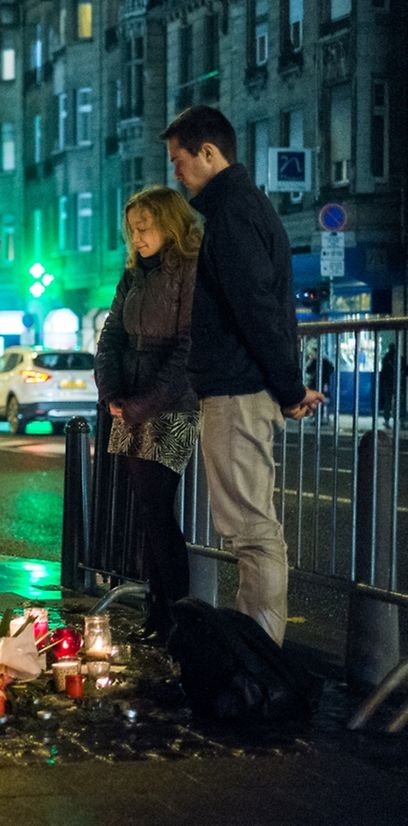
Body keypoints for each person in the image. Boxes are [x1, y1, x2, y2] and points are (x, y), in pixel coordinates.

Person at [161, 105, 324, 645]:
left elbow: (255, 309)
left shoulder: (231, 214)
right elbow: (263, 307)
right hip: (242, 385)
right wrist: (287, 385)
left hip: (237, 389)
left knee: (252, 531)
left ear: (209, 153)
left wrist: (290, 387)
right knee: (252, 527)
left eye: (180, 161)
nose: (177, 174)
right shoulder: (245, 207)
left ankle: (261, 654)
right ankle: (258, 648)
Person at [95, 186, 202, 644]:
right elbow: (111, 335)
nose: (136, 238)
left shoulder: (189, 270)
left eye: (144, 228)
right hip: (130, 398)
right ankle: (159, 614)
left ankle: (175, 615)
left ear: (169, 226)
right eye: (131, 230)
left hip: (170, 404)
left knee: (158, 511)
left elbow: (187, 349)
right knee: (146, 511)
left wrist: (141, 403)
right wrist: (112, 392)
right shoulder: (134, 274)